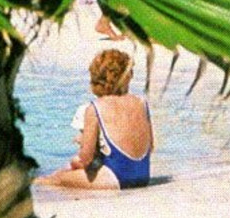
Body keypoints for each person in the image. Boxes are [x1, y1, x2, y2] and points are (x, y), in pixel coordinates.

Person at [35, 49, 154, 190]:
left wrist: (75, 163)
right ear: (126, 77)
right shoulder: (142, 103)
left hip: (115, 177)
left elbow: (86, 158)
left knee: (57, 179)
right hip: (143, 176)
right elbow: (150, 146)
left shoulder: (95, 108)